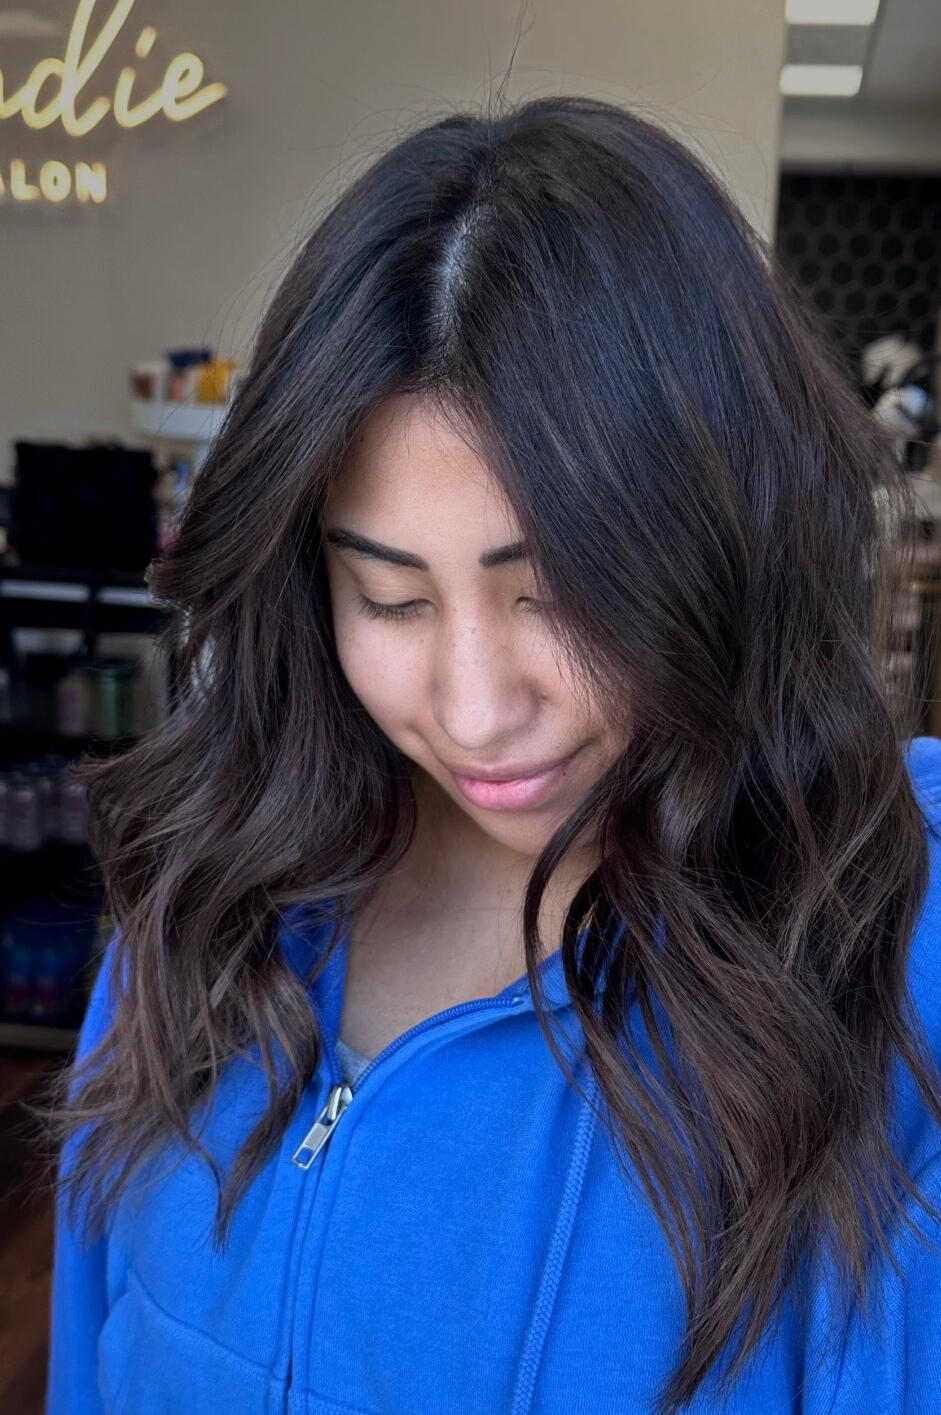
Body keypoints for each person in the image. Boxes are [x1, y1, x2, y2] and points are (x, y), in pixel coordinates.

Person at [35, 94, 941, 1415]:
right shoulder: (205, 907)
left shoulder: (886, 955)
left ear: (721, 548)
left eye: (562, 594)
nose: (473, 712)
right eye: (392, 599)